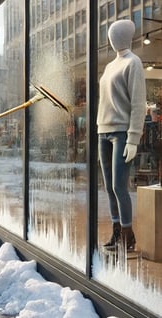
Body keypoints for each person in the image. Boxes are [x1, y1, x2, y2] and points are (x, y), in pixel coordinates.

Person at [97, 19, 146, 252]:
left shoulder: (133, 62)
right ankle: (117, 231)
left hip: (121, 132)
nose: (112, 38)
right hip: (102, 132)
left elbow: (139, 104)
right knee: (108, 187)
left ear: (126, 36)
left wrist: (134, 138)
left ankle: (128, 235)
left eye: (115, 34)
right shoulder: (109, 66)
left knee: (119, 186)